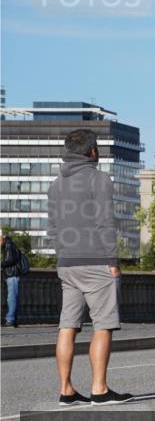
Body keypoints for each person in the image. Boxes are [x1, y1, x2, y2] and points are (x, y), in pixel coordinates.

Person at [47, 129, 132, 406]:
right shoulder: (99, 179)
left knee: (67, 326)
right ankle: (99, 389)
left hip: (67, 263)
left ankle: (66, 390)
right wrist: (113, 262)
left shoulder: (56, 184)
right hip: (96, 262)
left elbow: (53, 228)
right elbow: (105, 223)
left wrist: (63, 255)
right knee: (103, 325)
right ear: (92, 151)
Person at [1, 232, 27, 327]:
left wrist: (1, 264)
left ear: (2, 238)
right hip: (14, 275)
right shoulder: (10, 244)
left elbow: (10, 260)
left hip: (13, 274)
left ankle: (10, 320)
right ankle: (14, 320)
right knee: (14, 298)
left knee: (11, 298)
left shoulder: (8, 245)